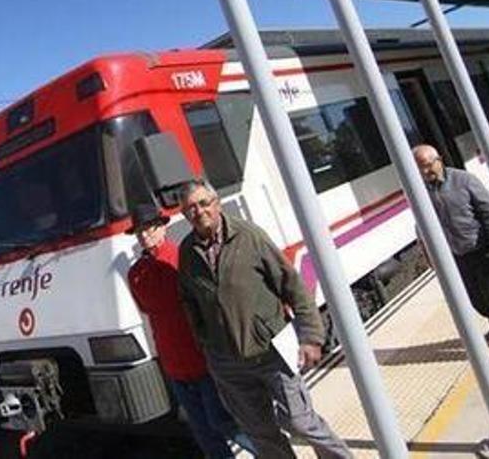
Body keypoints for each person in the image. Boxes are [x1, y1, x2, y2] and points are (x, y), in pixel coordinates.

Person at [175, 179, 352, 459]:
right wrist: (207, 344)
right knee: (261, 433)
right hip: (227, 363)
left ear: (216, 203)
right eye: (190, 208)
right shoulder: (187, 252)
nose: (199, 211)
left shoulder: (249, 236)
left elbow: (291, 284)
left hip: (271, 352)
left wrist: (311, 336)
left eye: (203, 203)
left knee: (301, 422)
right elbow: (189, 301)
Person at [126, 203, 255, 459]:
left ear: (163, 228)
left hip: (203, 360)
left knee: (224, 422)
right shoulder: (136, 273)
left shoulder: (182, 259)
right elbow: (146, 309)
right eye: (140, 231)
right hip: (174, 366)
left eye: (150, 228)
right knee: (204, 434)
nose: (144, 235)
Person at [411, 144, 489, 364]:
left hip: (482, 248)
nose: (425, 172)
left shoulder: (464, 180)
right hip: (456, 253)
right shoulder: (420, 192)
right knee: (476, 299)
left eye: (427, 165)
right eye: (420, 168)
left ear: (439, 160)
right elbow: (421, 226)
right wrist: (427, 253)